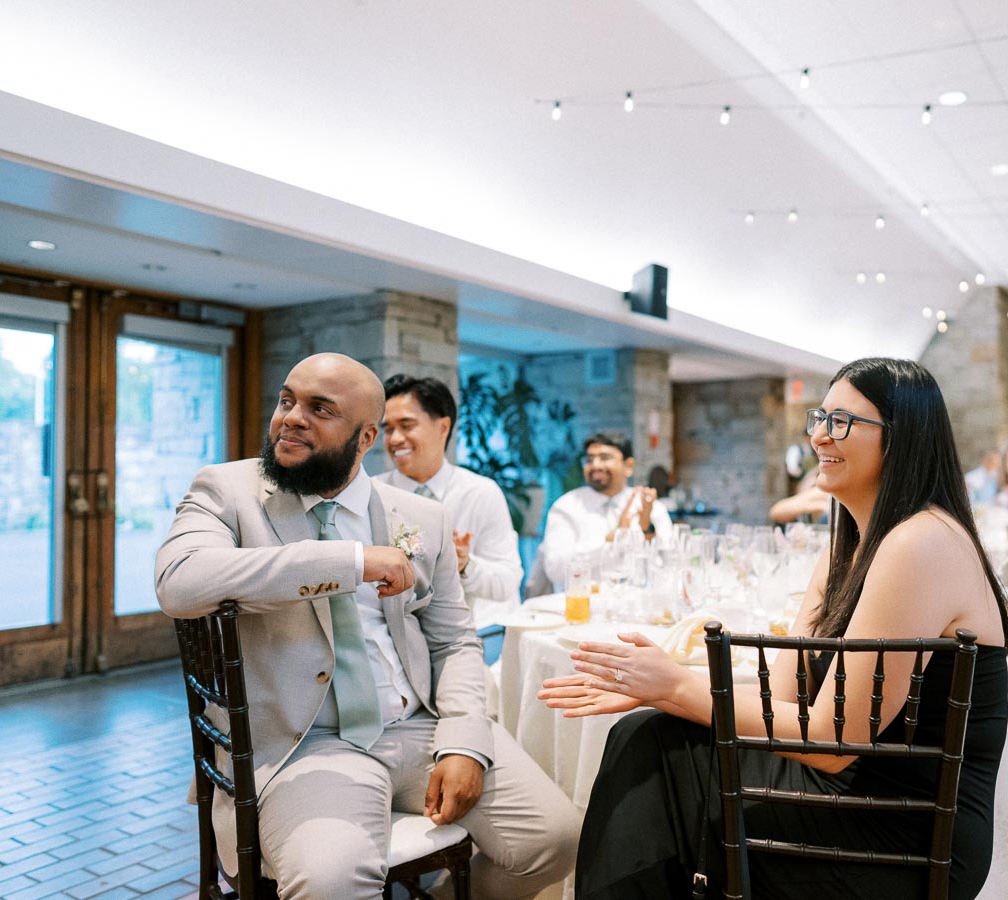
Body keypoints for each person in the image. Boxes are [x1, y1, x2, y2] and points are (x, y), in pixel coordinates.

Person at [539, 358, 1008, 899]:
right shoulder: (850, 545)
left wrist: (675, 686)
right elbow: (783, 698)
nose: (817, 435)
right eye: (819, 417)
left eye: (840, 421)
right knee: (650, 733)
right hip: (851, 792)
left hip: (905, 829)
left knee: (658, 751)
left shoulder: (921, 541)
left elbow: (835, 740)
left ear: (902, 438)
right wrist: (660, 690)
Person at [155, 353, 576, 900]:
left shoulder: (421, 517)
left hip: (419, 726)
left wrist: (466, 743)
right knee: (331, 883)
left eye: (320, 409)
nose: (291, 418)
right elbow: (179, 582)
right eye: (286, 400)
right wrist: (349, 562)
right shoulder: (228, 491)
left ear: (365, 436)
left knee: (556, 840)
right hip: (305, 743)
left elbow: (454, 640)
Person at [374, 373, 522, 629]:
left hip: (466, 632)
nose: (395, 439)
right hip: (391, 632)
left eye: (407, 426)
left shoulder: (481, 492)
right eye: (388, 429)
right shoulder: (373, 492)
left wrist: (464, 565)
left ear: (443, 427)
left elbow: (506, 582)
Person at [540, 433, 672, 591]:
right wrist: (612, 538)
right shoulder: (566, 507)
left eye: (605, 457)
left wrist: (646, 528)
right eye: (589, 459)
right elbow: (555, 571)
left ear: (628, 466)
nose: (595, 465)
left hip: (637, 606)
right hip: (582, 607)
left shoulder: (650, 506)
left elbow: (669, 567)